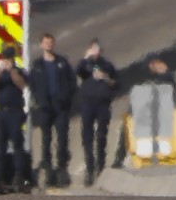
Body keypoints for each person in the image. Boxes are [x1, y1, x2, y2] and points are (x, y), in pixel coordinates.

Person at [27, 31, 76, 187]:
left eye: (50, 42)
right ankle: (47, 167)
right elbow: (32, 84)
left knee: (62, 138)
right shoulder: (37, 65)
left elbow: (72, 81)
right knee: (46, 138)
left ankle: (62, 167)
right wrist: (38, 100)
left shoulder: (62, 62)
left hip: (60, 105)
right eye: (46, 42)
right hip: (45, 106)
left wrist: (67, 97)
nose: (48, 44)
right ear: (41, 45)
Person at [74, 40, 118, 187]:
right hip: (87, 103)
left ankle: (101, 165)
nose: (95, 52)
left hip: (103, 104)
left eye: (97, 49)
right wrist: (85, 58)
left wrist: (105, 78)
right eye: (93, 49)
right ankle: (90, 168)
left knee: (101, 135)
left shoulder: (107, 65)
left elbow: (116, 83)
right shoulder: (85, 65)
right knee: (87, 136)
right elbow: (77, 71)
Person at [0, 45, 30, 194]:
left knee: (18, 146)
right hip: (1, 113)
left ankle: (19, 179)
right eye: (5, 57)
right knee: (1, 147)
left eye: (9, 58)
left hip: (15, 112)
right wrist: (0, 72)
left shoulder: (19, 71)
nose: (6, 60)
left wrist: (11, 70)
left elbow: (22, 84)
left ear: (13, 58)